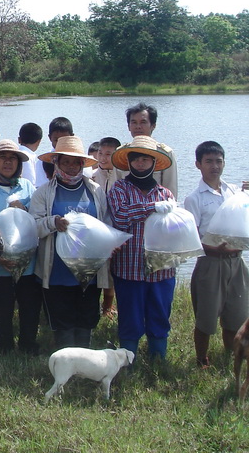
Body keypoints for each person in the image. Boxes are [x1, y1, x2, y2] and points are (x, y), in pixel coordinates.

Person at [31, 136, 110, 350]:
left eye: (76, 162)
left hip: (89, 269)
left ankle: (85, 356)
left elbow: (106, 223)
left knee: (87, 315)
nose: (71, 167)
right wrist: (53, 222)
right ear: (56, 162)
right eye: (66, 161)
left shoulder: (95, 191)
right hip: (57, 270)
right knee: (62, 317)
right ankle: (65, 357)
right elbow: (34, 226)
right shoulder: (44, 192)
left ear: (83, 164)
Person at [107, 135, 175, 359]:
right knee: (130, 317)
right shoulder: (119, 189)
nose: (141, 163)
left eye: (146, 159)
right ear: (129, 162)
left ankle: (158, 359)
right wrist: (151, 208)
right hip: (128, 268)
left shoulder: (166, 194)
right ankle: (127, 360)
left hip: (162, 269)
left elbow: (175, 230)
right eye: (136, 159)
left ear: (154, 163)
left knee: (160, 315)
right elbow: (120, 217)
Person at [183, 141, 249, 368]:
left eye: (218, 161)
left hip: (236, 262)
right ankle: (201, 359)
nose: (214, 166)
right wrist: (213, 249)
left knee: (236, 314)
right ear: (198, 164)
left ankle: (231, 356)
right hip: (211, 262)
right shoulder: (195, 198)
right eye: (209, 161)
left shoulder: (234, 192)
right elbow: (191, 237)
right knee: (206, 318)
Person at [0, 140, 40, 355]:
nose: (8, 162)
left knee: (29, 304)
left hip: (27, 260)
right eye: (3, 158)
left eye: (12, 158)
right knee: (1, 307)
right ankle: (5, 346)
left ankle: (29, 344)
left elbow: (36, 219)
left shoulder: (28, 187)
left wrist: (25, 209)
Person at [91, 136, 123, 318]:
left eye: (108, 154)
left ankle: (108, 307)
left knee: (113, 272)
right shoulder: (93, 176)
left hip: (117, 230)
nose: (103, 158)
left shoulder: (123, 177)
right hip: (98, 230)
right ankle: (100, 308)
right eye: (100, 154)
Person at [126, 102, 178, 197]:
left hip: (158, 208)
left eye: (143, 122)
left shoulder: (165, 153)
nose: (138, 126)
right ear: (128, 126)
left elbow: (171, 190)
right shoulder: (122, 153)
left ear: (153, 125)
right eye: (134, 122)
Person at [17, 122, 43, 187]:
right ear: (39, 141)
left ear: (19, 140)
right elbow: (30, 183)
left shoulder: (16, 152)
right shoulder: (28, 157)